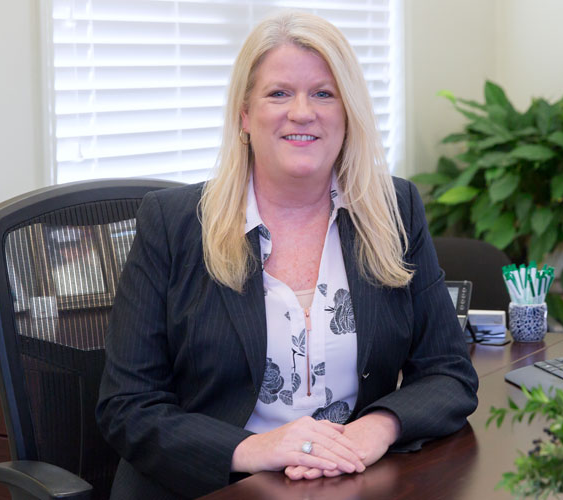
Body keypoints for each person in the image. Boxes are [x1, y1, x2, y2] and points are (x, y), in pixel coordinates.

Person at [96, 11, 478, 499]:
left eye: (323, 93)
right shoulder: (173, 224)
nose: (302, 112)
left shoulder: (392, 209)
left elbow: (448, 372)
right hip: (208, 487)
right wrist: (255, 448)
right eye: (278, 93)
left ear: (348, 112)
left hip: (346, 480)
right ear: (244, 115)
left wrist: (376, 427)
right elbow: (128, 405)